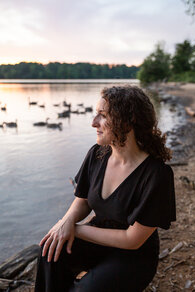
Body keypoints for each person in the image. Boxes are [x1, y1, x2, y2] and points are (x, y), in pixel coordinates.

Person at [35, 85, 176, 292]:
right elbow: (82, 200)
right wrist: (64, 222)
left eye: (102, 115)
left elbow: (132, 240)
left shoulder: (156, 174)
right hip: (97, 239)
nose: (93, 123)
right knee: (49, 252)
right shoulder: (97, 154)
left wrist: (75, 228)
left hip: (133, 257)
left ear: (128, 121)